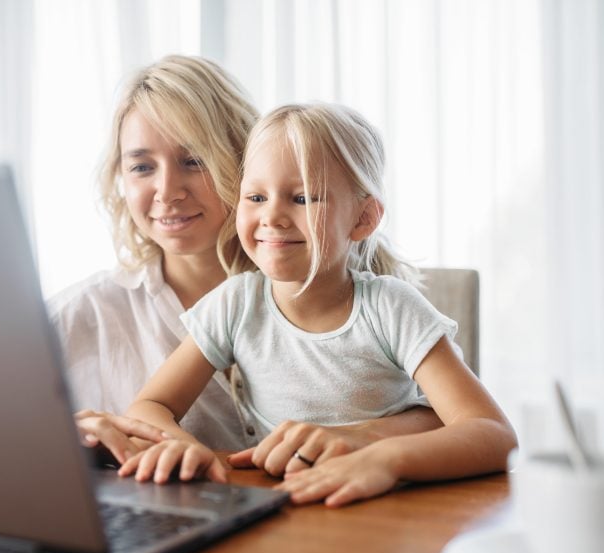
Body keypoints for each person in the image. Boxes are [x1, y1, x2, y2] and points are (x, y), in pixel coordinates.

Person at [49, 56, 444, 467]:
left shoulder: (354, 286)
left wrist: (359, 436)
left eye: (193, 160)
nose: (166, 191)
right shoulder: (75, 316)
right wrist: (63, 436)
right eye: (142, 167)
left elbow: (456, 422)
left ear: (245, 162)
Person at [120, 103, 517, 501]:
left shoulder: (391, 308)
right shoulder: (235, 304)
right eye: (256, 196)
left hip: (386, 509)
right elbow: (150, 405)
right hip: (285, 504)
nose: (272, 216)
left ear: (363, 218)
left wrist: (383, 459)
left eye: (304, 198)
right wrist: (179, 444)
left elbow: (493, 433)